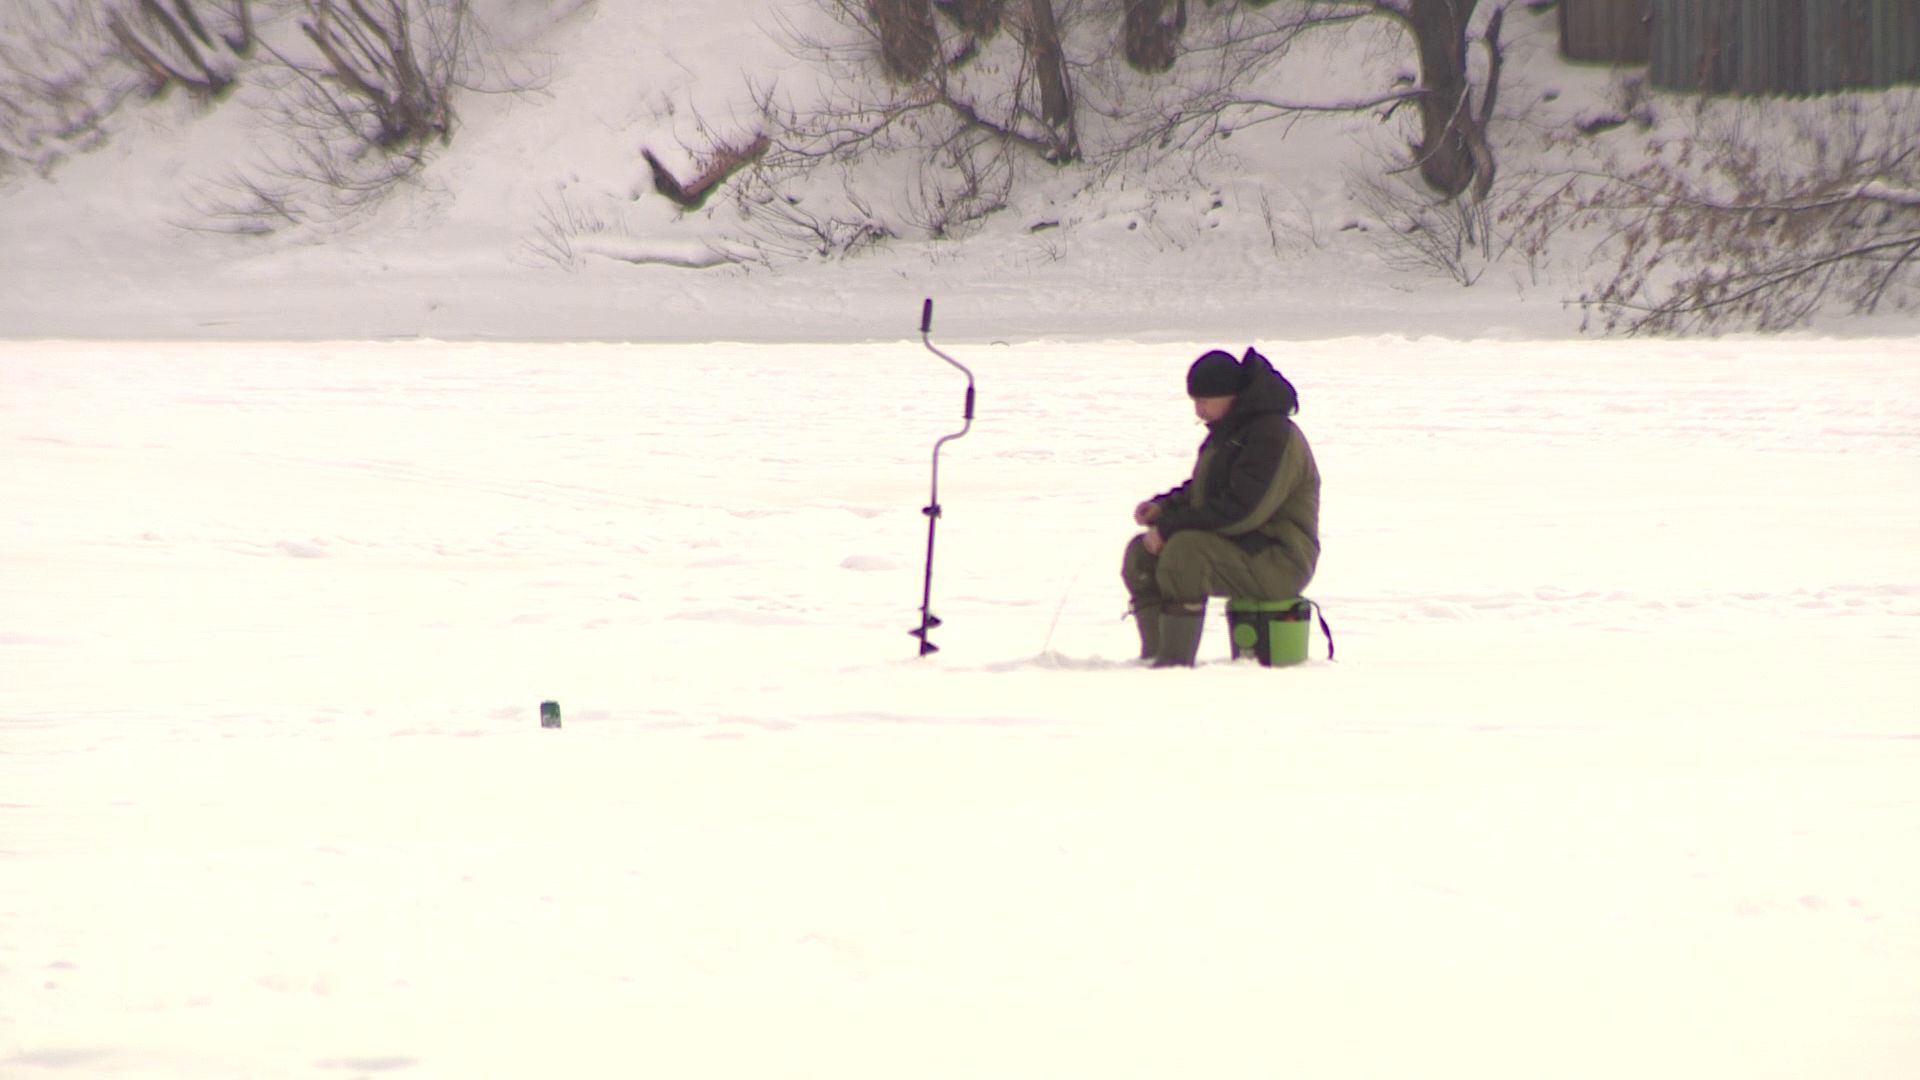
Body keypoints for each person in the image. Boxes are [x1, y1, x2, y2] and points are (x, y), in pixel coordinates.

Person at [1123, 346, 1320, 667]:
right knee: (1141, 553)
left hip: (1280, 559)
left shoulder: (1272, 435)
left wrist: (1172, 527)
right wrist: (1164, 508)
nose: (1198, 412)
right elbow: (1205, 490)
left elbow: (1243, 510)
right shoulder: (1231, 431)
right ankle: (1154, 656)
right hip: (1243, 550)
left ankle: (1173, 665)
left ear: (1230, 395)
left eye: (1203, 401)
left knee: (1185, 550)